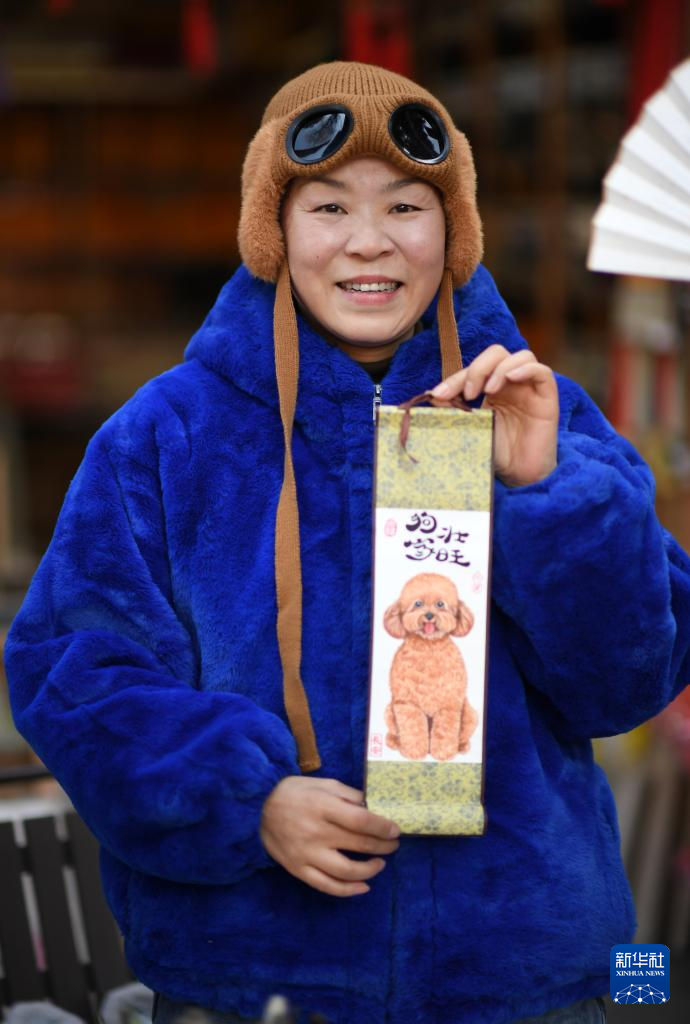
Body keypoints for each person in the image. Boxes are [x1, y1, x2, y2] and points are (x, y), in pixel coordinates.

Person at [4, 60, 690, 1024]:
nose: (370, 242)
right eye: (329, 207)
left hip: (517, 978)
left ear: (452, 229)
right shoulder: (168, 435)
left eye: (407, 205)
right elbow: (72, 670)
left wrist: (546, 489)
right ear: (273, 230)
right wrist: (244, 799)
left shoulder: (543, 413)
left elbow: (625, 687)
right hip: (254, 977)